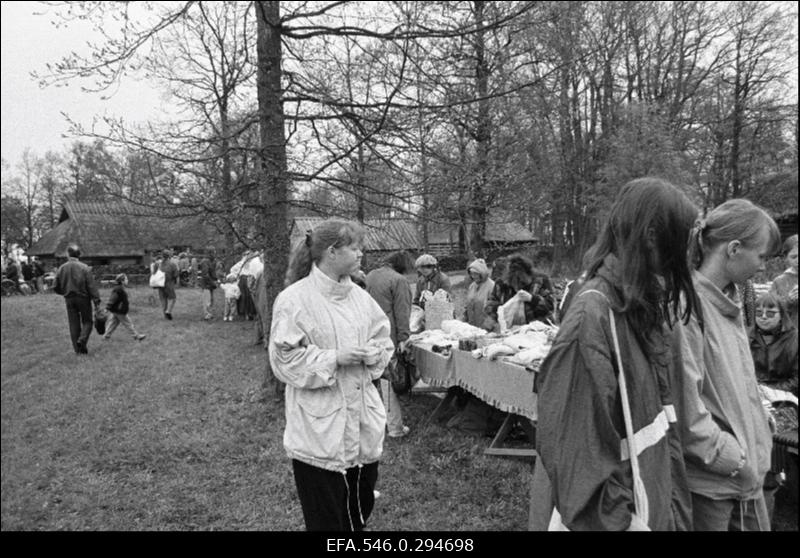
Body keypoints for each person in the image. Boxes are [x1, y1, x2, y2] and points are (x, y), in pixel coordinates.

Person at [532, 177, 699, 531]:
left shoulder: (638, 309)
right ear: (653, 235)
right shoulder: (591, 320)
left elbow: (657, 433)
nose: (683, 255)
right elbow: (580, 467)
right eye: (680, 238)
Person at [269, 220, 394, 531]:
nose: (361, 254)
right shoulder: (293, 300)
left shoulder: (360, 297)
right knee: (327, 524)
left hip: (363, 426)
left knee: (359, 514)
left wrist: (373, 353)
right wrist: (334, 358)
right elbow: (284, 360)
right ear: (332, 252)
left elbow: (383, 339)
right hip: (319, 435)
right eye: (354, 248)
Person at [674, 198, 781, 531]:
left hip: (743, 481)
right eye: (762, 256)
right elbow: (686, 409)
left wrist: (757, 419)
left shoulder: (730, 299)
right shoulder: (687, 308)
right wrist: (734, 458)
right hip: (714, 488)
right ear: (734, 249)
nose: (763, 267)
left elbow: (731, 384)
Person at [748, 291, 798, 524]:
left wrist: (772, 390)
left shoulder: (795, 339)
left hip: (785, 400)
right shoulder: (746, 337)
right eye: (759, 313)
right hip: (754, 398)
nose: (764, 317)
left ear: (782, 314)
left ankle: (777, 485)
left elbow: (797, 380)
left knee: (777, 435)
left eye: (770, 312)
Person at [366, 250, 414, 439]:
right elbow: (402, 311)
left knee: (373, 380)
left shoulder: (370, 276)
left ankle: (374, 421)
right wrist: (404, 337)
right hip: (388, 334)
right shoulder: (398, 280)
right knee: (389, 381)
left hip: (368, 333)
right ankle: (394, 427)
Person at [483, 253, 554, 332]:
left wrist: (533, 299)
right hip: (508, 332)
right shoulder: (501, 284)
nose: (517, 288)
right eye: (513, 284)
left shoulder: (542, 280)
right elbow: (489, 305)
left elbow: (550, 307)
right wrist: (502, 310)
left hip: (537, 332)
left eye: (521, 282)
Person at [53, 244, 102, 355]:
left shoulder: (61, 268)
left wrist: (63, 292)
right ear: (79, 254)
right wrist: (96, 300)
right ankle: (82, 340)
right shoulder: (85, 268)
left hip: (69, 298)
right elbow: (91, 286)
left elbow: (55, 285)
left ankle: (78, 350)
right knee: (87, 321)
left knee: (73, 324)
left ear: (68, 254)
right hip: (83, 298)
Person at [103, 274, 146, 342]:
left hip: (117, 310)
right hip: (119, 310)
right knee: (128, 323)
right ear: (122, 281)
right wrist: (107, 308)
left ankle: (106, 336)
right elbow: (112, 299)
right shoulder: (118, 289)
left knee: (113, 323)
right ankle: (136, 336)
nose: (127, 280)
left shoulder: (120, 288)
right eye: (126, 279)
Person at [770, 234, 798, 330]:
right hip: (790, 333)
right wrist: (788, 301)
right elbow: (771, 309)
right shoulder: (779, 282)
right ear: (786, 258)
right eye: (794, 257)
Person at [461, 258, 495, 327]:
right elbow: (468, 306)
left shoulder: (492, 286)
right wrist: (463, 320)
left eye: (476, 274)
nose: (473, 276)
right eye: (471, 274)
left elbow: (494, 310)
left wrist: (488, 327)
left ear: (482, 273)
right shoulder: (472, 286)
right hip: (472, 326)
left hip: (486, 328)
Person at [157, 248, 179, 320]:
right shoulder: (172, 264)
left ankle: (165, 316)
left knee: (163, 300)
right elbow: (176, 274)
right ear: (169, 256)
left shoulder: (159, 264)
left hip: (160, 284)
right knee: (173, 299)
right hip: (169, 284)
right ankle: (168, 311)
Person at [198, 248, 219, 321]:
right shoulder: (205, 261)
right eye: (214, 253)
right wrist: (212, 282)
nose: (215, 255)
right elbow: (205, 274)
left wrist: (216, 279)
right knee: (207, 299)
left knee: (211, 299)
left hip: (211, 284)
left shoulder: (212, 261)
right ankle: (207, 315)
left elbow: (213, 272)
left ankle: (210, 314)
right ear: (210, 253)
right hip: (206, 284)